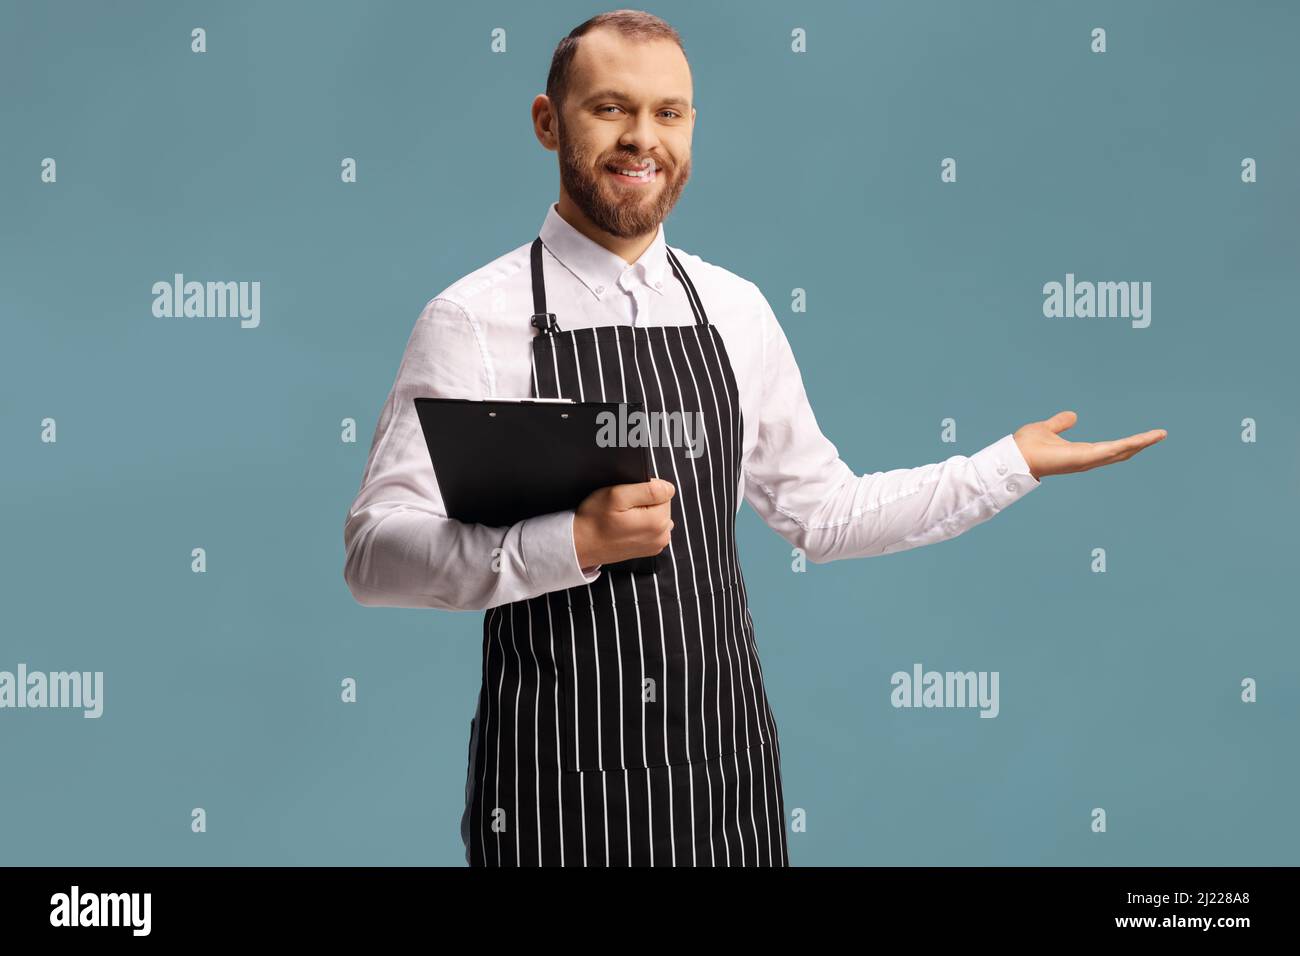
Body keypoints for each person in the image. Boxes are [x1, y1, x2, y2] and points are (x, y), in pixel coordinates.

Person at [341, 9, 1166, 868]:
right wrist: (570, 542)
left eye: (669, 112)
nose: (641, 140)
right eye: (610, 108)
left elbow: (825, 514)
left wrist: (1010, 464)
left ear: (692, 125)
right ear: (549, 121)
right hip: (553, 788)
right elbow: (374, 554)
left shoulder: (735, 311)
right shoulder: (473, 319)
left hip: (722, 780)